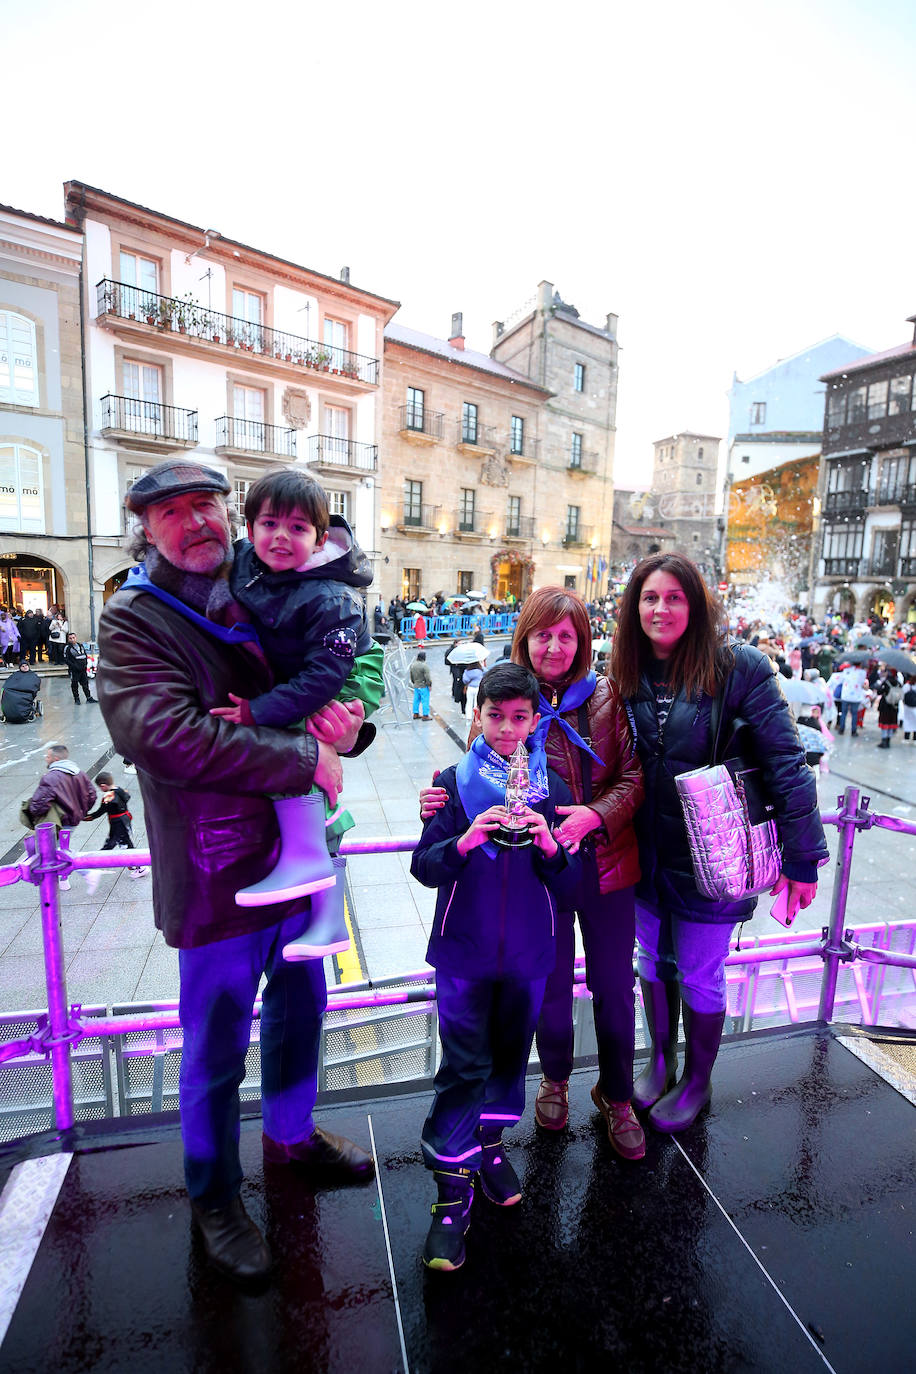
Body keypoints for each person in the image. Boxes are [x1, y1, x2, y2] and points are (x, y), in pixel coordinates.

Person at [96, 458, 374, 1287]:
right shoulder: (135, 620)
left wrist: (348, 729)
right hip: (217, 868)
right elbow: (165, 737)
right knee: (216, 1042)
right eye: (171, 511)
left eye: (206, 506)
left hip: (297, 858)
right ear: (145, 528)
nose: (195, 523)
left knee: (303, 1008)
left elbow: (327, 684)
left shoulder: (260, 577)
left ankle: (290, 1134)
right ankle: (214, 1196)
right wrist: (305, 755)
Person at [423, 587, 645, 1159]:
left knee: (615, 985)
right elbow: (476, 771)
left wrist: (594, 815)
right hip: (534, 875)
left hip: (602, 860)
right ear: (525, 636)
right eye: (542, 633)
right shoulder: (511, 697)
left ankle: (617, 1094)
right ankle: (554, 1079)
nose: (553, 646)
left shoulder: (603, 696)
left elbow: (633, 777)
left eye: (566, 635)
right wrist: (438, 799)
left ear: (582, 641)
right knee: (544, 983)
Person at [610, 553, 828, 1132]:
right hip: (644, 852)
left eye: (674, 597)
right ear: (634, 607)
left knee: (702, 972)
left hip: (717, 855)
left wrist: (802, 859)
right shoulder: (624, 674)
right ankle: (660, 1060)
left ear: (696, 605)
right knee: (650, 960)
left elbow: (786, 761)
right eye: (650, 598)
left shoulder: (740, 669)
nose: (660, 609)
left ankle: (698, 1081)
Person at [411, 662, 581, 1272]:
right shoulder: (450, 783)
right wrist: (463, 841)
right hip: (464, 952)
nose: (507, 730)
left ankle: (488, 1148)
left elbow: (574, 886)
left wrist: (549, 846)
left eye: (519, 718)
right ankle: (450, 1197)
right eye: (494, 716)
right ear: (476, 714)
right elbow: (424, 866)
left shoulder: (554, 786)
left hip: (531, 955)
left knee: (510, 1059)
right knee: (463, 1066)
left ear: (536, 720)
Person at [207, 467, 383, 922]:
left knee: (308, 746)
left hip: (344, 673)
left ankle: (312, 872)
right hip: (307, 674)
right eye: (269, 524)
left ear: (320, 538)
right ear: (247, 530)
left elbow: (326, 677)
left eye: (298, 527)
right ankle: (324, 917)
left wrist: (257, 711)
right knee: (305, 747)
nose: (281, 537)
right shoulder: (244, 563)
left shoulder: (330, 597)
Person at [25, 745, 96, 890]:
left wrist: (34, 812)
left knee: (53, 851)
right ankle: (63, 880)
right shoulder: (79, 773)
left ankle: (87, 871)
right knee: (61, 847)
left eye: (48, 756)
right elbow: (92, 795)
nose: (46, 758)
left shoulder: (51, 777)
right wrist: (80, 811)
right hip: (73, 820)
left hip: (58, 822)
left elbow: (38, 804)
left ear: (55, 758)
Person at [85, 771, 148, 885]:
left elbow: (100, 812)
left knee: (115, 843)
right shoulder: (119, 789)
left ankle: (95, 864)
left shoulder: (109, 795)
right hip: (124, 819)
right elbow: (127, 797)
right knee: (124, 843)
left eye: (100, 787)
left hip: (117, 822)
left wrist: (87, 817)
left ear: (103, 785)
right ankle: (135, 866)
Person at [63, 633, 97, 704]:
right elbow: (66, 659)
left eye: (73, 637)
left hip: (83, 669)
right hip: (74, 670)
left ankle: (89, 697)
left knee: (85, 684)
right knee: (74, 685)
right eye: (70, 638)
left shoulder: (80, 645)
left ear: (76, 637)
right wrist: (74, 666)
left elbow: (85, 655)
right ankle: (77, 699)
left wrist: (86, 664)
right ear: (68, 639)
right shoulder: (67, 648)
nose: (72, 639)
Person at [835, 662, 867, 736]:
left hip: (846, 695)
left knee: (844, 713)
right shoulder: (862, 672)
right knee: (854, 714)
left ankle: (841, 729)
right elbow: (862, 683)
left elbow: (841, 681)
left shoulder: (846, 671)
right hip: (856, 697)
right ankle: (853, 731)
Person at [875, 670, 903, 749]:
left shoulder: (886, 682)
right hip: (894, 706)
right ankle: (888, 741)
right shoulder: (899, 683)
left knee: (884, 723)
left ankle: (884, 740)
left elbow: (879, 692)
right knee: (891, 723)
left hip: (885, 706)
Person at [409, 649, 432, 719]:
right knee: (425, 701)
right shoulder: (424, 666)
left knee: (416, 700)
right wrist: (429, 684)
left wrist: (414, 682)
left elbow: (411, 676)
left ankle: (415, 714)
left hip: (416, 685)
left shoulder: (413, 665)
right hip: (423, 685)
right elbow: (427, 677)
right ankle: (425, 715)